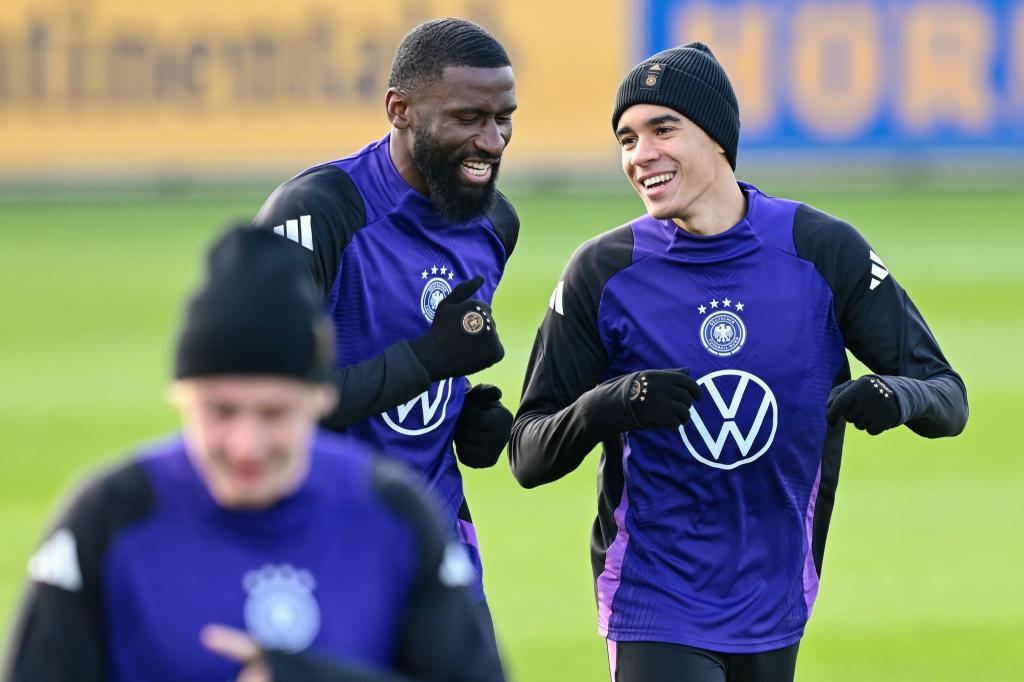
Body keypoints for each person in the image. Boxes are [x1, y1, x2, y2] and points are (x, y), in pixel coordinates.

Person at [508, 42, 968, 682]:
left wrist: (897, 397)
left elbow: (948, 397)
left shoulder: (820, 250)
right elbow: (528, 453)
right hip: (652, 599)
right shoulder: (604, 272)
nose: (641, 155)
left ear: (719, 138)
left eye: (662, 128)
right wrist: (609, 404)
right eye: (626, 138)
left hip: (777, 600)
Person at [4, 228, 506, 682]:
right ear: (180, 396)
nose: (246, 447)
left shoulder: (393, 515)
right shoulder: (109, 518)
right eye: (220, 411)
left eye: (274, 414)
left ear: (321, 397)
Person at [251, 17, 519, 607]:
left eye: (504, 118)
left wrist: (465, 419)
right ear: (400, 109)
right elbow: (268, 404)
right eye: (469, 118)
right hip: (325, 534)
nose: (493, 141)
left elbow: (432, 362)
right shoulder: (319, 212)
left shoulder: (495, 223)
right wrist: (431, 360)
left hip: (438, 535)